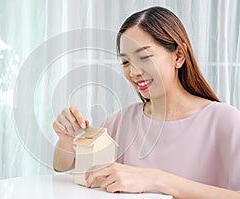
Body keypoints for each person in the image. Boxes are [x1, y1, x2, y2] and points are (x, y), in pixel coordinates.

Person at [52, 6, 240, 199]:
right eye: (125, 62)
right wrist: (66, 139)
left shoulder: (224, 120)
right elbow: (63, 165)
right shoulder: (121, 121)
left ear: (179, 56)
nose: (134, 72)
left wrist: (156, 179)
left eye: (144, 57)